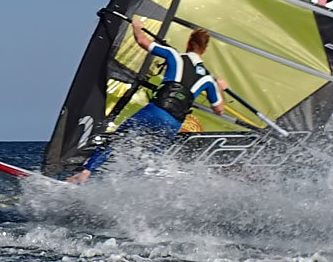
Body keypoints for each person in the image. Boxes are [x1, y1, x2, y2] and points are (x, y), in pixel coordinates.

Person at [67, 18, 227, 183]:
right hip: (174, 122)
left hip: (155, 111)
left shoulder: (174, 56)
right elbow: (219, 109)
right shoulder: (208, 79)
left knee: (117, 138)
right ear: (205, 49)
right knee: (151, 157)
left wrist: (137, 27)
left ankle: (86, 173)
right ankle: (134, 185)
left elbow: (142, 41)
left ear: (189, 43)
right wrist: (219, 87)